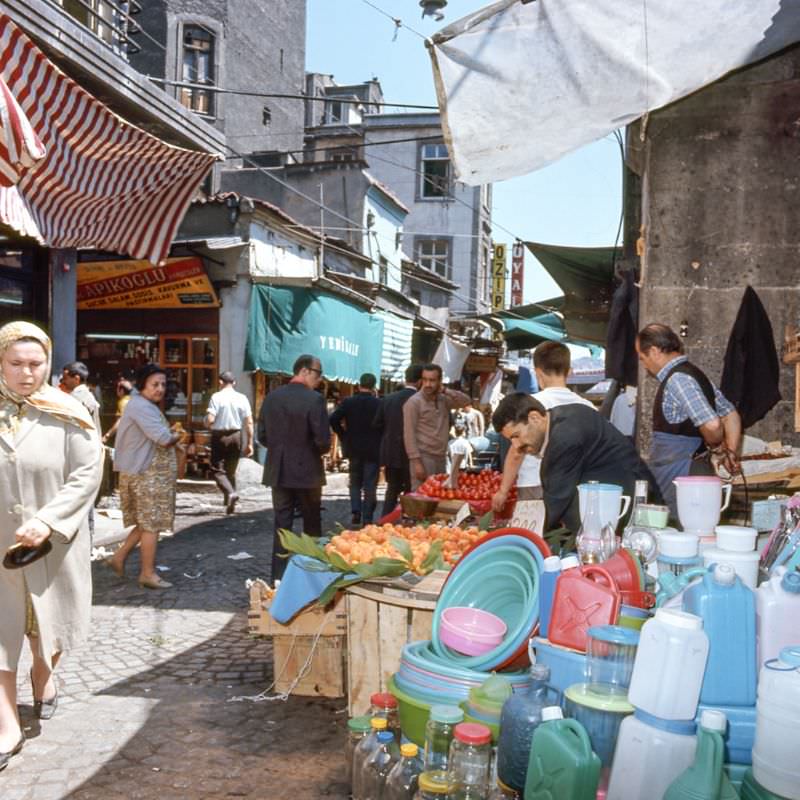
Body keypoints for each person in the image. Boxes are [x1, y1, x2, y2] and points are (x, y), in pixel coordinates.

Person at [0, 322, 102, 768]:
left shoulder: (70, 412)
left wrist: (49, 520)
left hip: (54, 542)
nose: (26, 373)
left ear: (48, 363)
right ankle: (6, 725)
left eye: (35, 364)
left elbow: (88, 474)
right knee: (0, 634)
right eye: (15, 364)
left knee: (49, 626)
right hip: (1, 539)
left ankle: (44, 675)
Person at [492, 392, 660, 533]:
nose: (516, 446)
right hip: (619, 506)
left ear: (535, 417)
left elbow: (555, 501)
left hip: (628, 514)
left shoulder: (565, 437)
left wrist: (518, 533)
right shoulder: (564, 416)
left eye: (516, 436)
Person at [636, 323, 742, 515]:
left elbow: (712, 424)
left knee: (681, 532)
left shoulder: (678, 380)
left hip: (682, 475)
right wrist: (731, 453)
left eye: (643, 358)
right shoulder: (696, 374)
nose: (644, 364)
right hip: (693, 472)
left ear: (654, 351)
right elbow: (730, 414)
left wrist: (718, 449)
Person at [492, 341, 596, 518]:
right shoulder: (588, 407)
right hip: (573, 486)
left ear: (537, 372)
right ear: (569, 371)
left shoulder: (529, 405)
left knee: (535, 536)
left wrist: (503, 491)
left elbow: (516, 453)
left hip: (533, 483)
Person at [107, 365, 185, 590]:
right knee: (151, 526)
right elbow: (163, 439)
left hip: (147, 474)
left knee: (145, 523)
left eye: (162, 384)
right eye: (155, 384)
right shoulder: (141, 406)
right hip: (146, 475)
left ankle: (118, 557)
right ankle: (147, 573)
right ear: (143, 385)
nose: (160, 389)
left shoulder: (143, 405)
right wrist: (178, 434)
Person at [258, 354, 330, 581]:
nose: (319, 380)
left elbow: (262, 436)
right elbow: (323, 441)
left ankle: (277, 578)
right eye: (318, 375)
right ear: (305, 371)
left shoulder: (271, 398)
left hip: (278, 469)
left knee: (282, 525)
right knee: (311, 525)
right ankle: (311, 576)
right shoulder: (314, 400)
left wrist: (281, 450)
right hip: (307, 470)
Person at [403, 364, 471, 490]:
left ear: (439, 381)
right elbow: (409, 434)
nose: (428, 384)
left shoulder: (444, 399)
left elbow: (466, 401)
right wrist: (416, 462)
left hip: (441, 457)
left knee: (438, 498)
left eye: (432, 380)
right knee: (422, 500)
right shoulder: (414, 402)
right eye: (425, 380)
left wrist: (446, 390)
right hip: (423, 457)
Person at [329, 373, 382, 526]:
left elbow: (333, 419)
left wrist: (343, 434)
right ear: (373, 387)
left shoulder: (349, 402)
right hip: (373, 448)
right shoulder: (379, 404)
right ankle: (367, 518)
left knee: (355, 482)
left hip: (353, 447)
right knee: (370, 484)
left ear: (359, 385)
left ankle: (356, 511)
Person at [373, 364, 422, 517]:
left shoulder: (388, 399)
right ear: (420, 381)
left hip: (391, 452)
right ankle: (408, 523)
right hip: (413, 455)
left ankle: (385, 520)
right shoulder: (420, 400)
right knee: (411, 492)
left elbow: (376, 424)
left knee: (392, 490)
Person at [204, 370, 254, 514]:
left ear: (220, 382)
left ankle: (231, 494)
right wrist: (250, 443)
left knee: (217, 470)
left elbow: (211, 419)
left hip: (220, 436)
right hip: (236, 436)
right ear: (234, 383)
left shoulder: (216, 397)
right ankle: (229, 503)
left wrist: (206, 422)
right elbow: (249, 422)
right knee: (231, 471)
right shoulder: (242, 398)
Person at [61, 361, 102, 432]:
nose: (62, 381)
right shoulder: (88, 396)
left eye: (65, 378)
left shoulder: (74, 398)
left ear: (76, 379)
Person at [101, 378, 133, 445]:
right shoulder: (133, 400)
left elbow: (120, 421)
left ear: (121, 391)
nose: (116, 391)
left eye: (117, 389)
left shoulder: (123, 402)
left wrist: (107, 435)